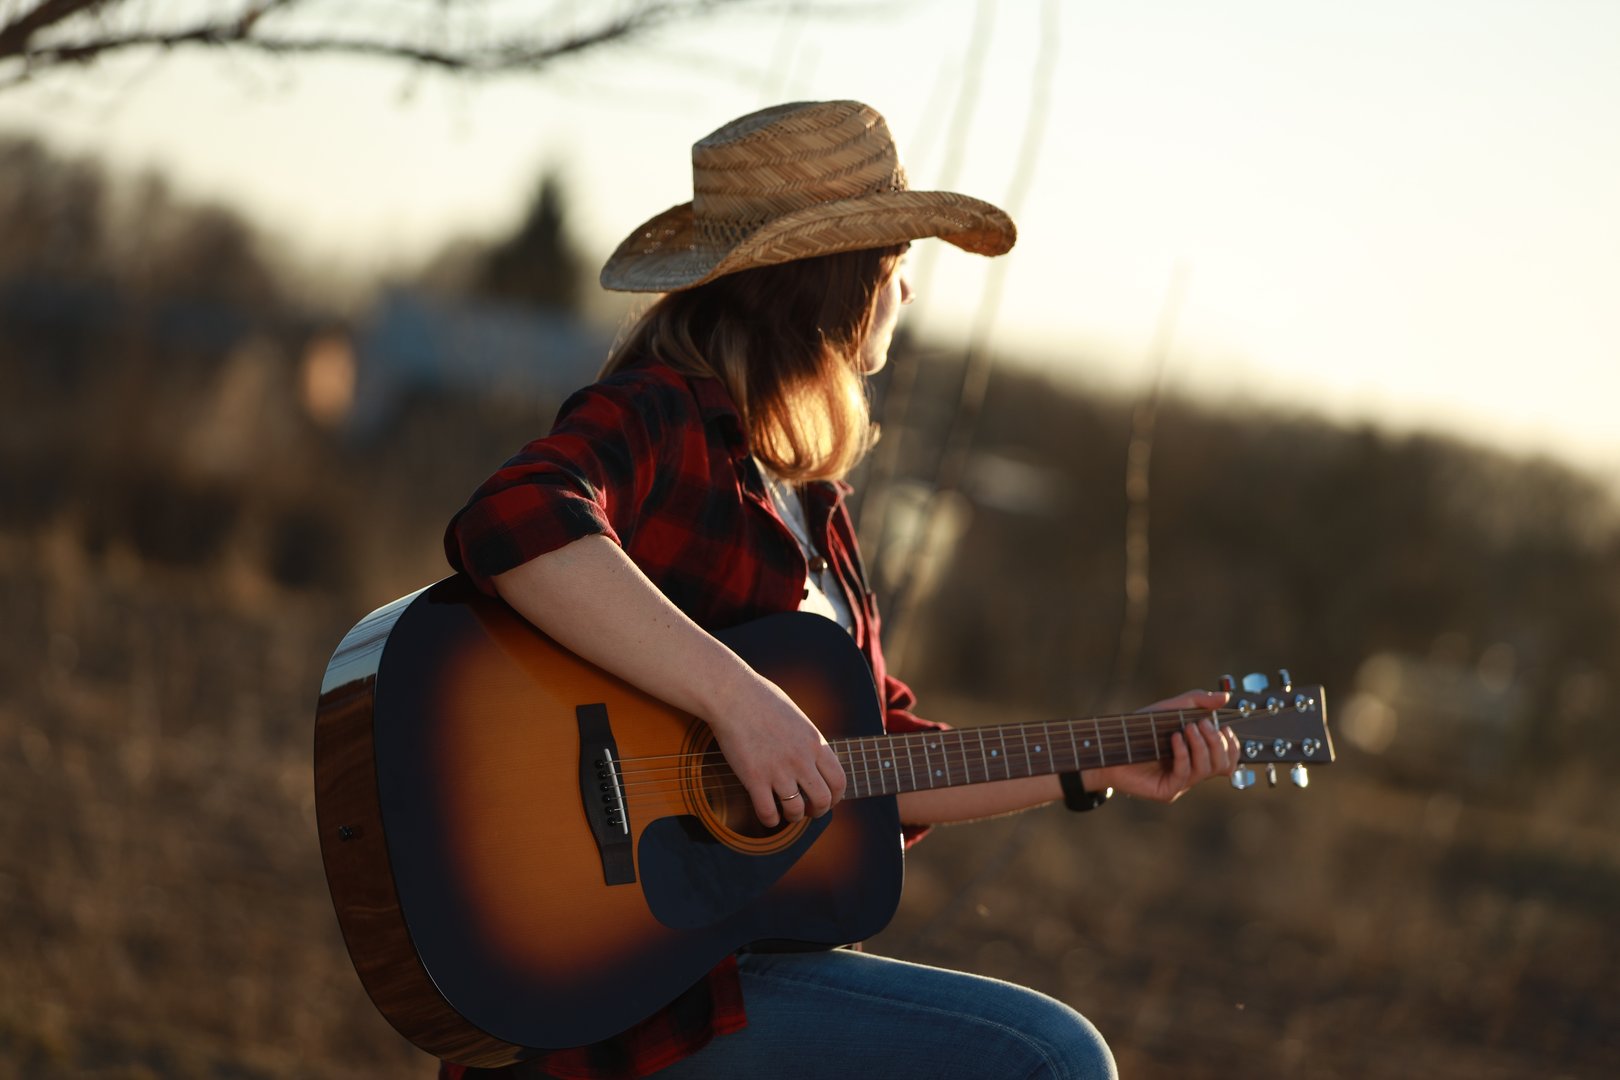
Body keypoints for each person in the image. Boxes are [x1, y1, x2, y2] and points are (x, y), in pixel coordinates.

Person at [440, 100, 1239, 1080]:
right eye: (898, 263)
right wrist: (738, 701)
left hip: (733, 967)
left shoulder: (811, 500)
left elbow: (868, 761)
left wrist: (1110, 757)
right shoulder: (662, 415)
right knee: (1048, 1058)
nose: (908, 291)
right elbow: (517, 519)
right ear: (839, 284)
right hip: (636, 997)